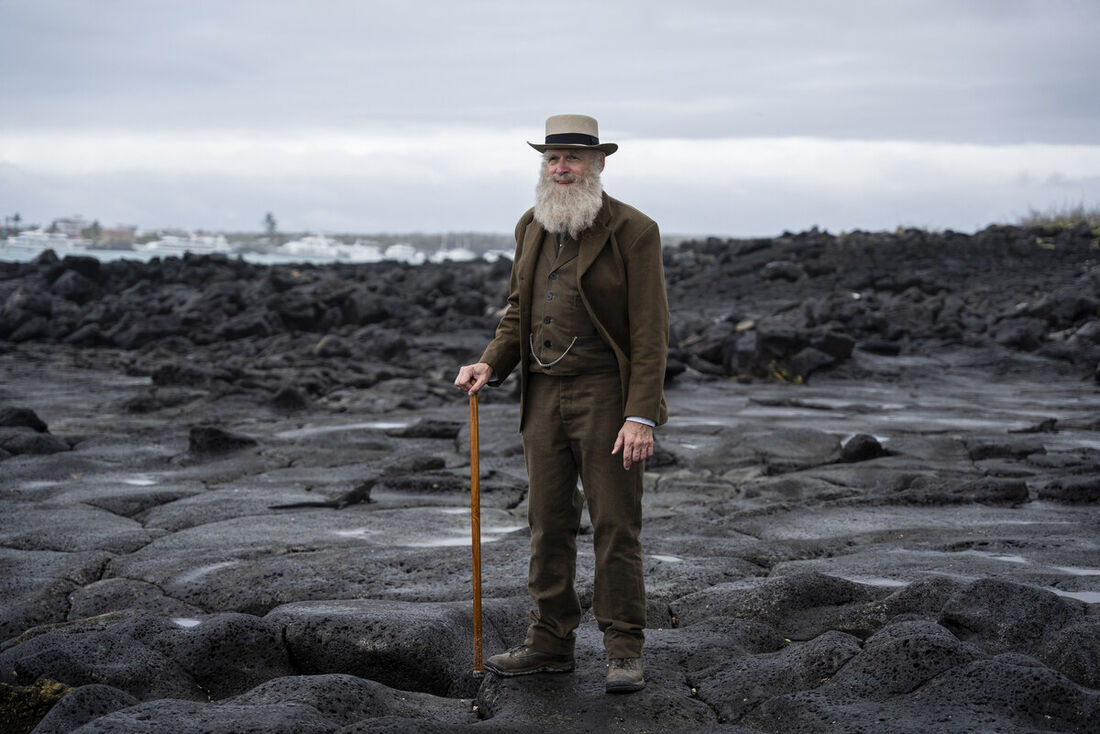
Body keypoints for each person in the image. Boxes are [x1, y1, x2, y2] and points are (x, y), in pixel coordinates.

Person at [454, 114, 669, 694]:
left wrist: (640, 414)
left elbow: (651, 331)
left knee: (614, 528)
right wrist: (490, 363)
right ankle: (549, 643)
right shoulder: (531, 225)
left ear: (598, 163)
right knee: (546, 524)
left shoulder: (634, 229)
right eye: (553, 159)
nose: (562, 168)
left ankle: (624, 650)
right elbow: (517, 311)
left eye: (574, 158)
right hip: (542, 395)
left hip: (607, 394)